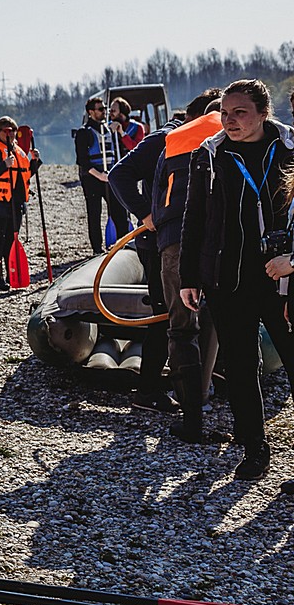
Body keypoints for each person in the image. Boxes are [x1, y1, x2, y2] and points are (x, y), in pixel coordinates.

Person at [180, 79, 294, 481]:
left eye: (240, 113)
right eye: (225, 114)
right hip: (228, 280)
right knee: (243, 369)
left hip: (283, 280)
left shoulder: (289, 149)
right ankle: (254, 447)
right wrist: (189, 277)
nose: (230, 121)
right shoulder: (209, 155)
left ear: (264, 113)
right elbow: (194, 219)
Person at [150, 90, 226, 443]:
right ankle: (244, 425)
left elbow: (158, 198)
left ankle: (192, 420)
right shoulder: (244, 133)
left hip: (175, 243)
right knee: (236, 326)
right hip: (225, 242)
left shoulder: (174, 138)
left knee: (181, 330)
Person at [108, 105, 185, 415]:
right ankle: (148, 390)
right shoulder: (164, 140)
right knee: (163, 314)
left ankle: (194, 381)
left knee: (179, 313)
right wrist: (145, 213)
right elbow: (119, 175)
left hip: (185, 241)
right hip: (158, 242)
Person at [0, 116, 40, 291]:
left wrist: (35, 162)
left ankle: (10, 275)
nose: (10, 133)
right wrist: (3, 165)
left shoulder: (19, 152)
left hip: (15, 205)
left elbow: (25, 175)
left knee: (11, 243)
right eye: (6, 130)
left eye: (13, 130)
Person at [75, 97, 129, 254]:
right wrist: (100, 176)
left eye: (105, 108)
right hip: (92, 178)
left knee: (119, 210)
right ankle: (97, 249)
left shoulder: (110, 130)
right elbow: (82, 161)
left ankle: (123, 242)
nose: (104, 112)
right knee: (94, 213)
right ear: (91, 112)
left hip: (110, 176)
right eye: (100, 109)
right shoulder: (83, 133)